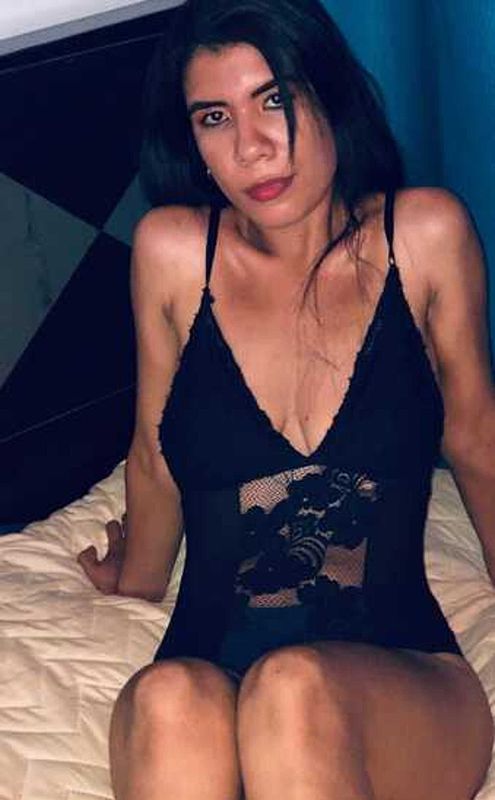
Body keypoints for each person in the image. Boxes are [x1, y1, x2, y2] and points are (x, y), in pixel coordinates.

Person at [78, 0, 495, 797]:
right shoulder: (172, 253)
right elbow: (155, 453)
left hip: (398, 678)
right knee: (166, 696)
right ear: (192, 142)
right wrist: (135, 579)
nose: (251, 146)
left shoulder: (423, 235)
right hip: (205, 658)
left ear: (330, 95)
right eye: (214, 117)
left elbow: (476, 438)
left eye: (275, 99)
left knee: (291, 687)